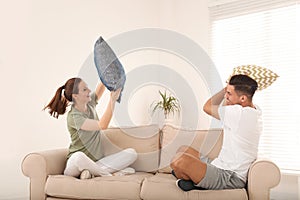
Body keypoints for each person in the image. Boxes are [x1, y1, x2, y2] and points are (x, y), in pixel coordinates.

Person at [170, 74, 262, 191]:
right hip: (219, 165)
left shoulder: (239, 113)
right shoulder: (254, 111)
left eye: (229, 93)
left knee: (179, 161)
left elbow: (207, 107)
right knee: (183, 150)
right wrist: (232, 88)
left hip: (230, 176)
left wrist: (224, 88)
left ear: (243, 98)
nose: (225, 96)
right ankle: (195, 180)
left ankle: (197, 183)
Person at [44, 77, 137, 179]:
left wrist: (107, 72)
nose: (89, 91)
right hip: (75, 165)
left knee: (131, 153)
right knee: (79, 156)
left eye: (87, 88)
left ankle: (91, 172)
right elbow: (102, 125)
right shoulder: (74, 117)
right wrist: (112, 100)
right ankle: (108, 175)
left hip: (96, 162)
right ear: (75, 96)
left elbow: (101, 85)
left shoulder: (89, 103)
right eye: (84, 89)